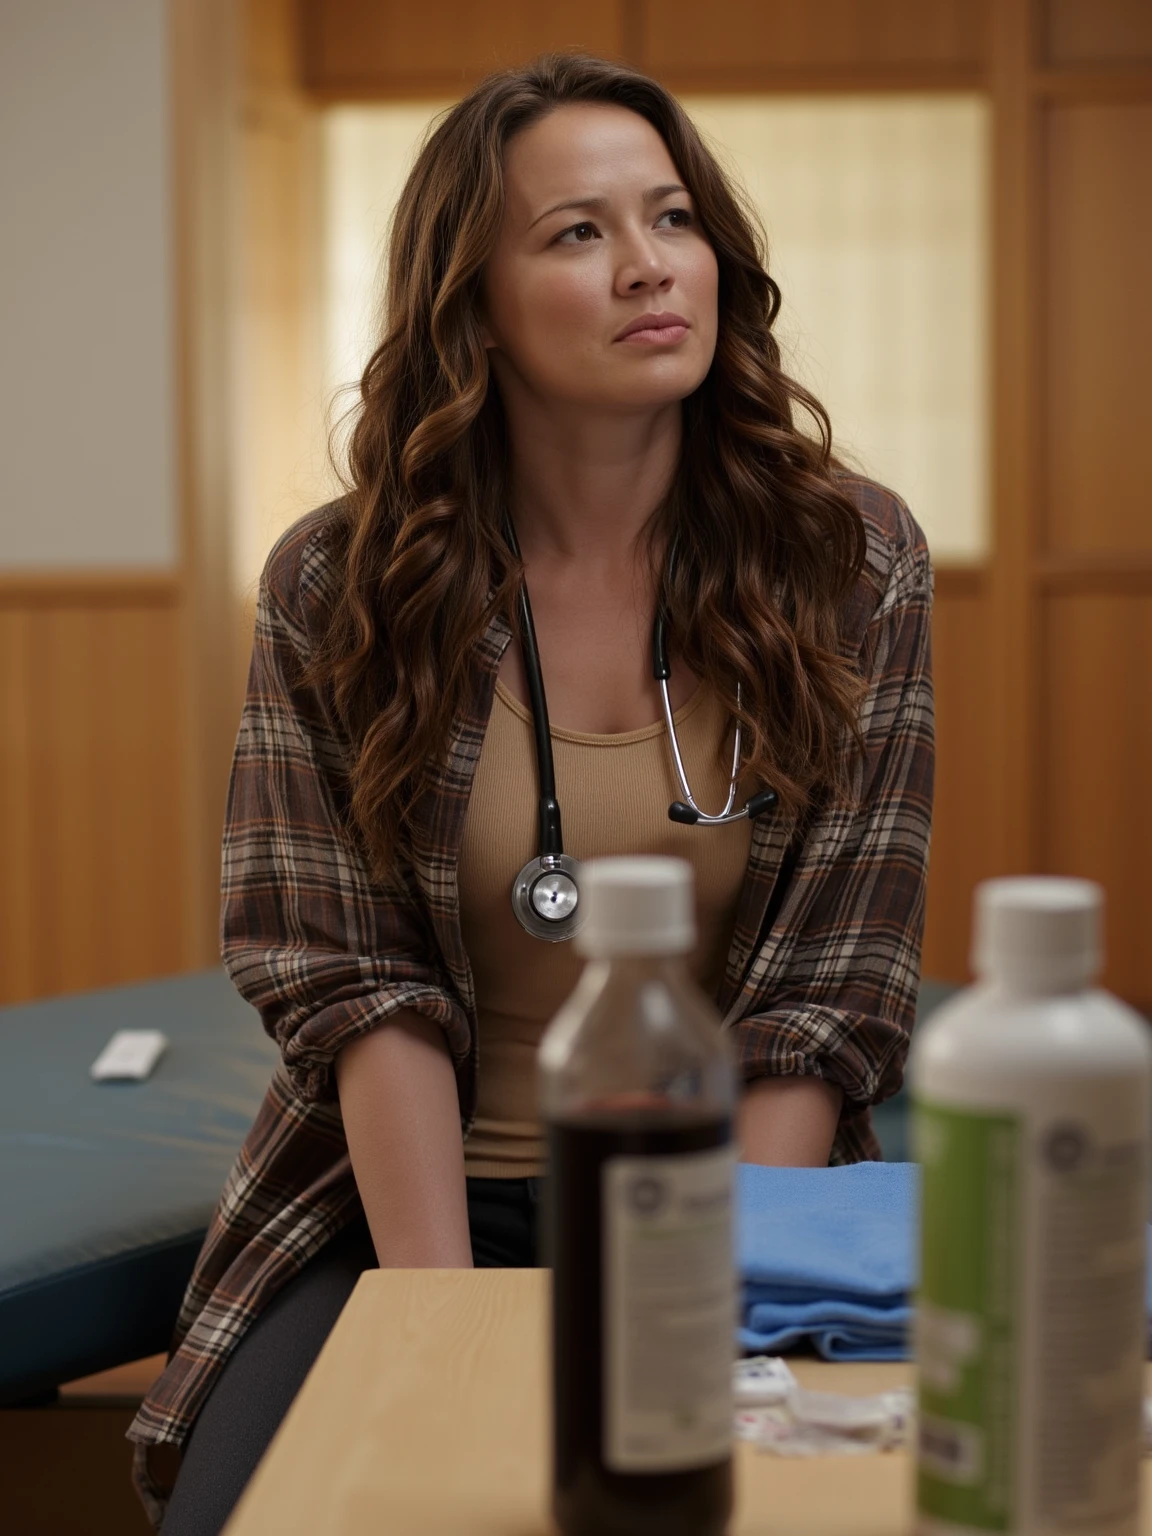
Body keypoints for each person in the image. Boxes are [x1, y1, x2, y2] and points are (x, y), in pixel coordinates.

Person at [130, 51, 934, 1533]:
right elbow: (347, 980)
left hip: (733, 1204)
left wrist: (726, 1309)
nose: (648, 267)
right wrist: (438, 1326)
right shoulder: (341, 580)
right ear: (472, 304)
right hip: (406, 1208)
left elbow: (834, 987)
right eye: (578, 232)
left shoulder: (851, 562)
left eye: (673, 217)